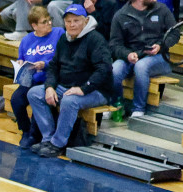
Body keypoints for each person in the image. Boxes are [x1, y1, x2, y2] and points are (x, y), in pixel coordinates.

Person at [28, 3, 112, 157]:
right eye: (68, 21)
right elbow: (53, 67)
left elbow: (104, 69)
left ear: (85, 21)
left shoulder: (95, 39)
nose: (72, 24)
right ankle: (48, 138)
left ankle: (58, 143)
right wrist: (49, 87)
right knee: (34, 93)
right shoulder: (63, 39)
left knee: (69, 101)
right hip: (66, 86)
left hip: (95, 91)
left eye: (76, 20)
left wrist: (83, 88)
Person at [109, 0, 177, 117]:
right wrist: (128, 54)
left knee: (141, 66)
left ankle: (138, 109)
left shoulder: (162, 9)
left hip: (159, 57)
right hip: (131, 56)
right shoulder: (121, 15)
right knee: (114, 70)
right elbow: (114, 45)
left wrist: (161, 45)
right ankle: (115, 106)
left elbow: (174, 33)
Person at [13, 5, 64, 147]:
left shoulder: (58, 33)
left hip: (50, 78)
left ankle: (35, 135)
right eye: (44, 22)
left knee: (36, 98)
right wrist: (20, 63)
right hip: (31, 79)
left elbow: (61, 58)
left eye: (49, 20)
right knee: (16, 100)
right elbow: (21, 58)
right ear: (34, 25)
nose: (49, 24)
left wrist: (45, 64)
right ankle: (26, 130)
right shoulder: (26, 40)